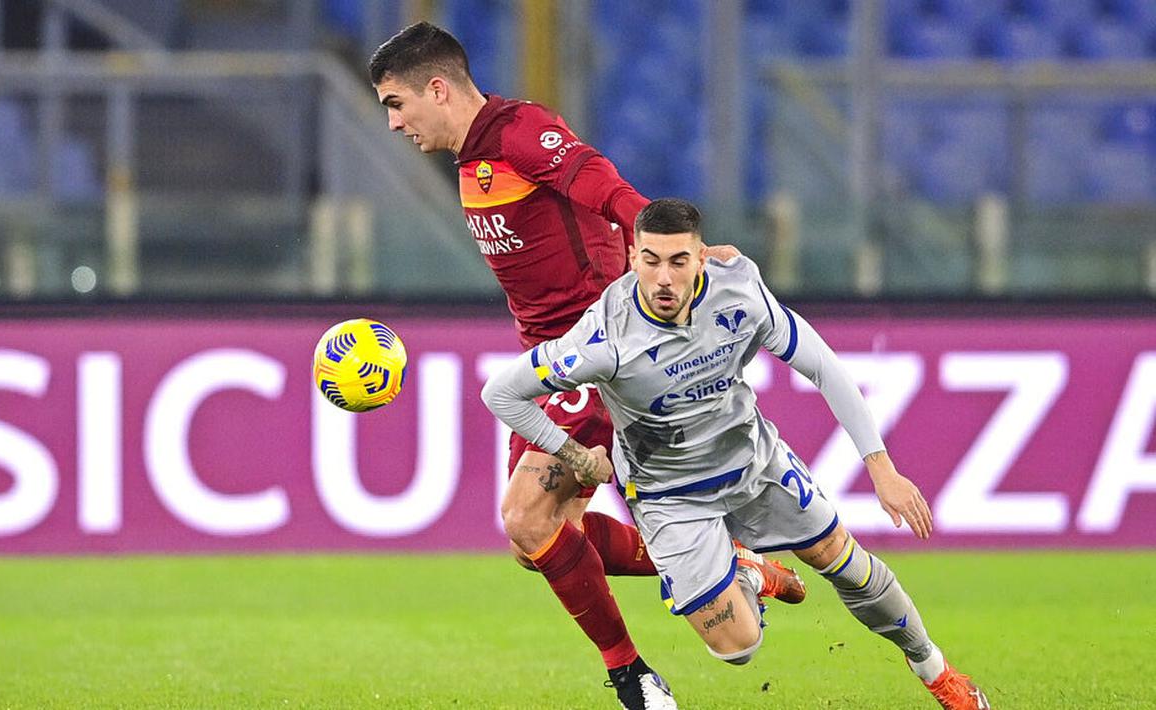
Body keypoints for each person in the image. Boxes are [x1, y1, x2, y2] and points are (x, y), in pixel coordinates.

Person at [368, 22, 803, 709]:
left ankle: (633, 679)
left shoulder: (518, 130)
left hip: (595, 353)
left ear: (438, 88)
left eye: (396, 103)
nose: (393, 122)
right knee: (537, 538)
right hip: (543, 363)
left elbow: (598, 184)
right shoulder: (473, 159)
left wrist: (665, 245)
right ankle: (729, 564)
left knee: (525, 518)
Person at [482, 198, 992, 710]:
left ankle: (938, 672)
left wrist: (881, 467)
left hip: (753, 463)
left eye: (678, 261)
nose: (664, 278)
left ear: (701, 258)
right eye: (651, 260)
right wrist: (572, 453)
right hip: (669, 496)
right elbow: (501, 392)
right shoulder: (603, 336)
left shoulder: (738, 288)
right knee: (738, 648)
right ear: (632, 257)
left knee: (844, 563)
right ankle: (746, 569)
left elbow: (821, 364)